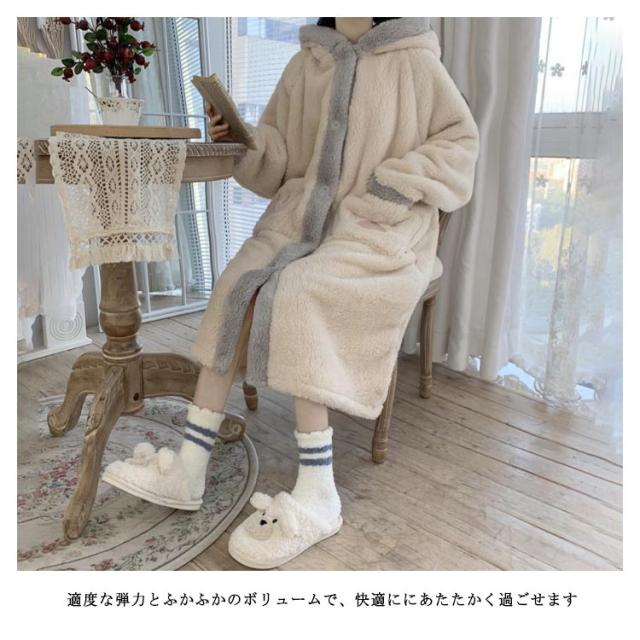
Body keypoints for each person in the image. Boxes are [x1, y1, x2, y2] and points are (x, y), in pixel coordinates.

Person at [103, 17, 480, 569]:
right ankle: (189, 465)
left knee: (303, 293)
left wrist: (390, 188)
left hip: (375, 228)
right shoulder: (307, 62)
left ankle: (319, 491)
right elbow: (276, 158)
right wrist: (240, 142)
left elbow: (459, 142)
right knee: (235, 286)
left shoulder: (414, 59)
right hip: (296, 220)